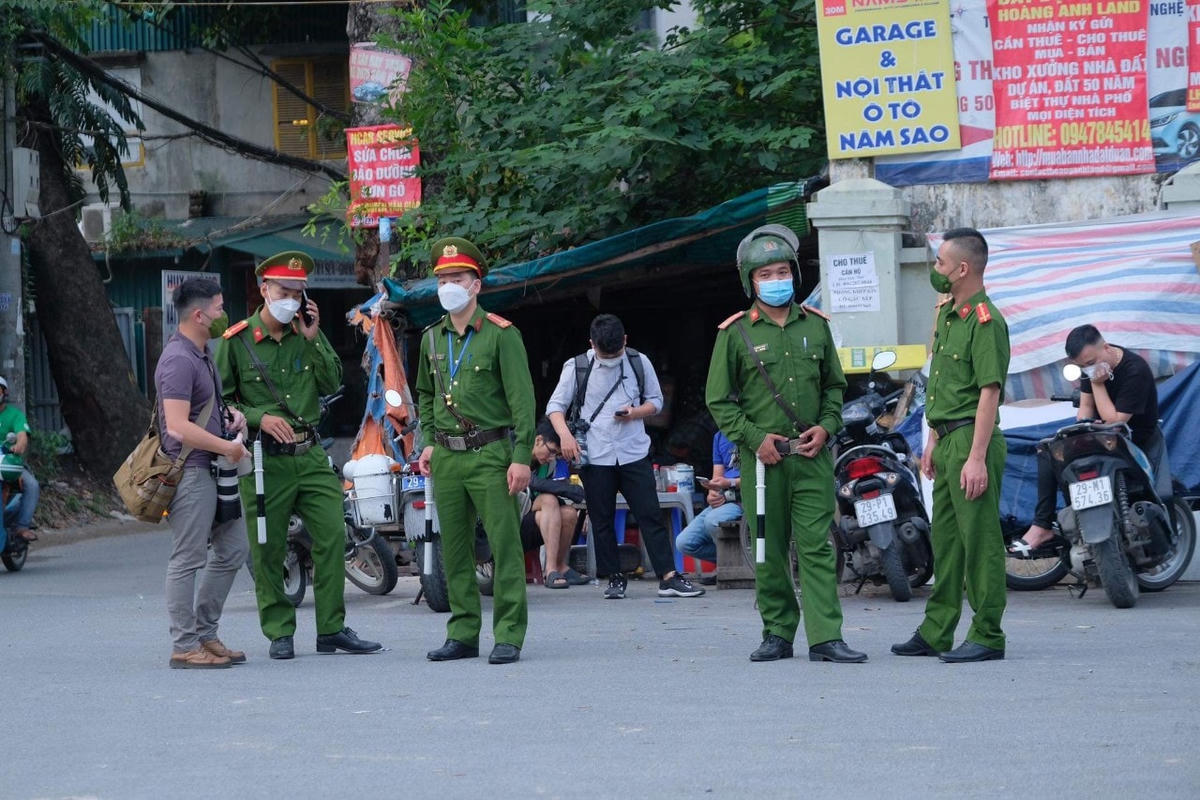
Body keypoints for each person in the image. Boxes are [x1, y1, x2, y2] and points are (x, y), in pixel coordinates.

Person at [706, 224, 866, 664]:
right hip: (763, 464)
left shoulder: (816, 327)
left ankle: (825, 638)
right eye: (765, 275)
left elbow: (835, 387)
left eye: (782, 272)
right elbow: (718, 401)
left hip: (812, 458)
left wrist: (827, 427)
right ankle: (777, 632)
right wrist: (755, 440)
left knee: (817, 546)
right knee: (768, 548)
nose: (776, 281)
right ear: (750, 282)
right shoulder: (734, 334)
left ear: (794, 274)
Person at [216, 251, 381, 660]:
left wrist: (313, 338)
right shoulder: (236, 341)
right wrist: (259, 417)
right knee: (268, 547)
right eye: (284, 291)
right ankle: (279, 631)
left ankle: (331, 629)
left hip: (309, 455)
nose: (291, 299)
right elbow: (221, 403)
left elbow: (332, 380)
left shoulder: (306, 333)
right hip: (262, 460)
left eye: (298, 292)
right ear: (264, 290)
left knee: (333, 535)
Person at [892, 227, 1009, 663]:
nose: (935, 270)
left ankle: (987, 634)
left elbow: (988, 393)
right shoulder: (947, 314)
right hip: (946, 440)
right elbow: (942, 386)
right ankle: (937, 630)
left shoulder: (987, 321)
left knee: (979, 542)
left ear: (962, 269)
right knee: (947, 542)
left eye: (941, 263)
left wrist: (976, 458)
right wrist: (931, 442)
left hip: (972, 443)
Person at [416, 237, 536, 665]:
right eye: (443, 278)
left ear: (476, 285)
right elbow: (425, 394)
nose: (449, 284)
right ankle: (463, 631)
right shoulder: (432, 339)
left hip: (490, 453)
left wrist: (522, 456)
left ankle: (508, 634)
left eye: (458, 278)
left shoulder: (502, 336)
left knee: (504, 546)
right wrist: (428, 440)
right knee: (455, 549)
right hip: (446, 457)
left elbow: (523, 403)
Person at [547, 314, 704, 600]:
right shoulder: (577, 366)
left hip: (633, 450)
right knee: (602, 517)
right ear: (591, 344)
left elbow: (656, 402)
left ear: (626, 341)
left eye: (615, 352)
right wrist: (566, 437)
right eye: (603, 353)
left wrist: (635, 413)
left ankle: (669, 576)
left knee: (650, 514)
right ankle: (614, 577)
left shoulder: (638, 361)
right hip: (594, 454)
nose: (610, 358)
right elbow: (555, 407)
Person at [157, 278, 251, 669]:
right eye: (218, 308)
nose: (222, 315)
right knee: (187, 558)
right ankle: (184, 644)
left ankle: (205, 633)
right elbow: (177, 425)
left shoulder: (202, 354)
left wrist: (232, 418)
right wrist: (228, 447)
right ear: (198, 315)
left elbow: (204, 410)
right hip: (191, 472)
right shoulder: (178, 359)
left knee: (233, 549)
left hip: (214, 469)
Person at [1010, 324, 1165, 556]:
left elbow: (1115, 422)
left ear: (1106, 347)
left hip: (1134, 442)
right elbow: (1085, 409)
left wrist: (1097, 382)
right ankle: (1044, 524)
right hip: (1103, 438)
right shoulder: (1090, 366)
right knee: (1048, 451)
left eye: (1091, 363)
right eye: (1083, 367)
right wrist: (1080, 428)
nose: (1088, 369)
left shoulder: (1135, 370)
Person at [522, 417, 588, 589]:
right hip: (511, 516)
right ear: (538, 440)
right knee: (550, 500)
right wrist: (567, 490)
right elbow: (530, 482)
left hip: (535, 518)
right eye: (550, 451)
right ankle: (550, 569)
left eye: (556, 454)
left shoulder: (549, 463)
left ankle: (560, 566)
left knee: (569, 513)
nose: (552, 458)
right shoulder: (518, 450)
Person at [674, 431, 743, 579]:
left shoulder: (753, 432)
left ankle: (726, 567)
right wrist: (712, 492)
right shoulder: (719, 437)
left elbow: (761, 476)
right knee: (684, 543)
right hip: (725, 496)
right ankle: (733, 561)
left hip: (745, 498)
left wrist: (731, 483)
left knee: (712, 520)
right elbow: (717, 476)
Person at [0, 376, 39, 544]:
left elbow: (22, 437)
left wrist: (18, 446)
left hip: (9, 464)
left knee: (32, 485)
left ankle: (22, 526)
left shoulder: (15, 415)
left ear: (4, 393)